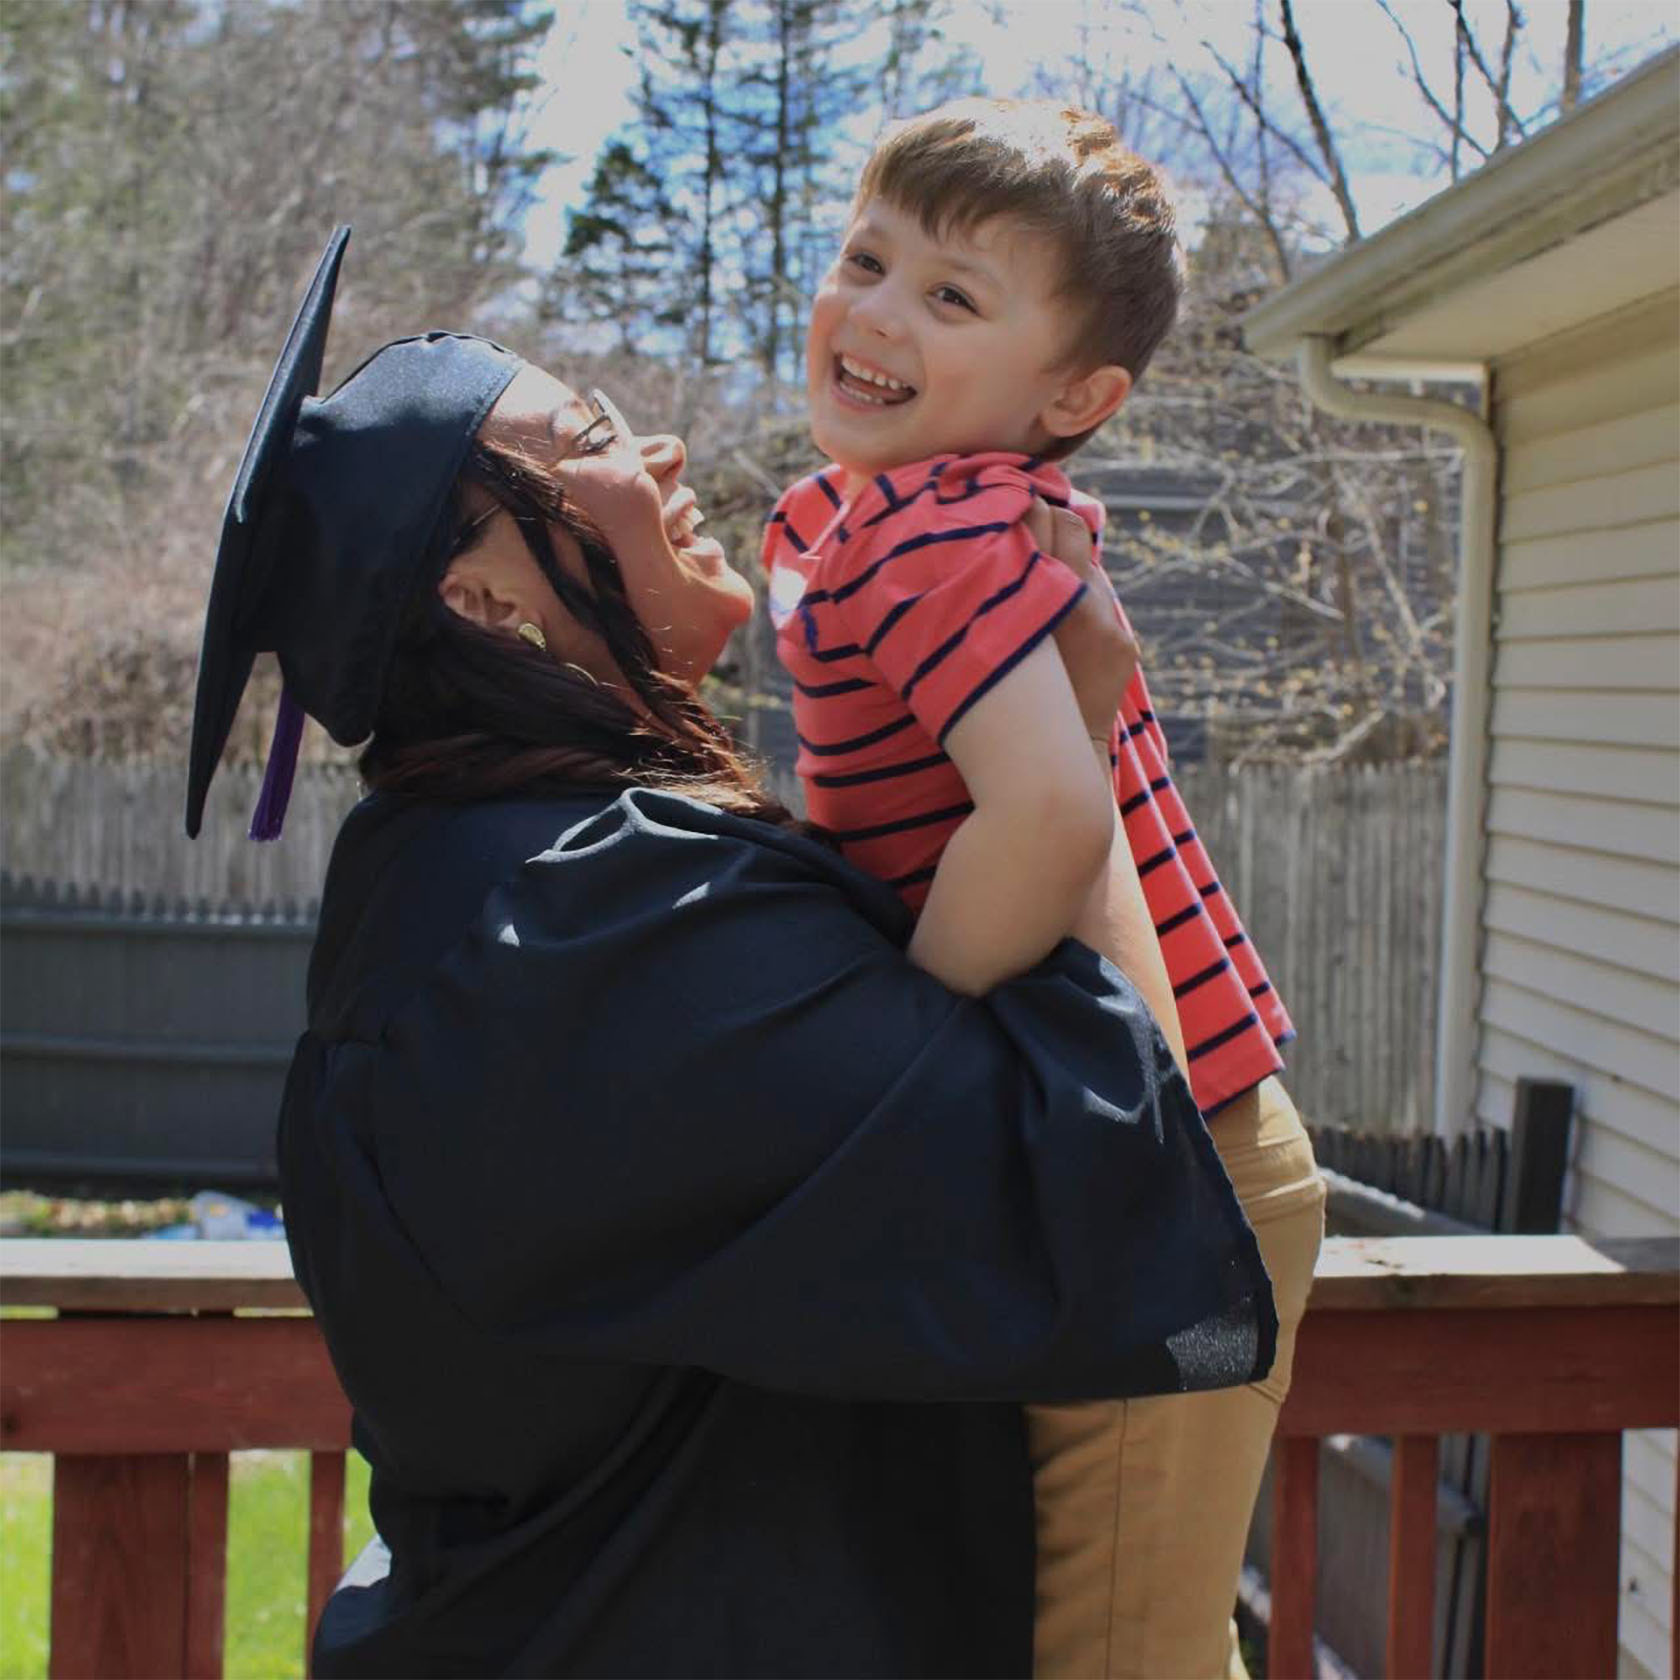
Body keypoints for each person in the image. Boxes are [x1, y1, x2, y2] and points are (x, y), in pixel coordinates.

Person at [187, 227, 1276, 1678]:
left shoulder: (476, 885)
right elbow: (1098, 1187)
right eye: (588, 439)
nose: (667, 450)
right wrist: (1065, 747)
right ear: (488, 604)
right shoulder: (586, 929)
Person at [763, 99, 1325, 1677]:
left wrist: (906, 1050)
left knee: (1114, 1653)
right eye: (867, 258)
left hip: (1162, 1173)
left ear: (1072, 395)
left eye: (952, 297)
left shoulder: (927, 538)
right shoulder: (932, 520)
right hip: (1155, 1152)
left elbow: (1052, 814)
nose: (874, 312)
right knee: (1134, 1622)